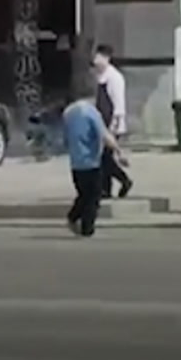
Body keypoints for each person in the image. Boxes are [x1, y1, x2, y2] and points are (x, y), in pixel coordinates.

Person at [62, 75, 118, 237]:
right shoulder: (91, 112)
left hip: (76, 163)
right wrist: (118, 151)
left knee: (83, 194)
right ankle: (87, 228)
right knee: (93, 196)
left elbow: (65, 139)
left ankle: (73, 217)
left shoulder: (68, 113)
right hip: (91, 161)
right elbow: (105, 135)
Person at [91, 45, 134, 199]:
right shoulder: (101, 76)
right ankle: (106, 189)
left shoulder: (114, 77)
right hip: (102, 122)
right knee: (104, 157)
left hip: (112, 123)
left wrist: (114, 125)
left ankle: (124, 180)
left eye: (98, 57)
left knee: (105, 157)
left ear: (106, 58)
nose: (95, 61)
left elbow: (118, 103)